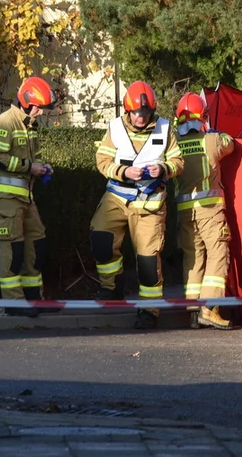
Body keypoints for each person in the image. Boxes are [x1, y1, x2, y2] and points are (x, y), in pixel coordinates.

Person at [91, 80, 184, 329]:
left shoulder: (165, 129)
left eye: (144, 113)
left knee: (148, 261)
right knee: (101, 239)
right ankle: (112, 287)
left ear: (151, 110)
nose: (139, 118)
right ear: (127, 110)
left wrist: (163, 168)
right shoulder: (115, 128)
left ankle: (149, 309)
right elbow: (102, 161)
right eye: (135, 113)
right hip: (117, 197)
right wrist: (123, 171)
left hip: (150, 205)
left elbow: (178, 161)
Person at [0, 76, 59, 318]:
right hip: (6, 200)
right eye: (39, 107)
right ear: (26, 101)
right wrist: (30, 167)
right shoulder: (5, 122)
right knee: (12, 250)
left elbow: (32, 157)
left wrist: (41, 166)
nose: (41, 112)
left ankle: (33, 299)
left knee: (36, 245)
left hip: (26, 198)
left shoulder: (29, 125)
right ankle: (14, 303)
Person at [173, 92, 237, 330]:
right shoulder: (211, 140)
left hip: (184, 213)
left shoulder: (174, 144)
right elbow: (230, 144)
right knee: (218, 254)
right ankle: (210, 309)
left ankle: (192, 310)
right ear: (203, 117)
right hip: (209, 210)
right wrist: (214, 131)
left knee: (193, 258)